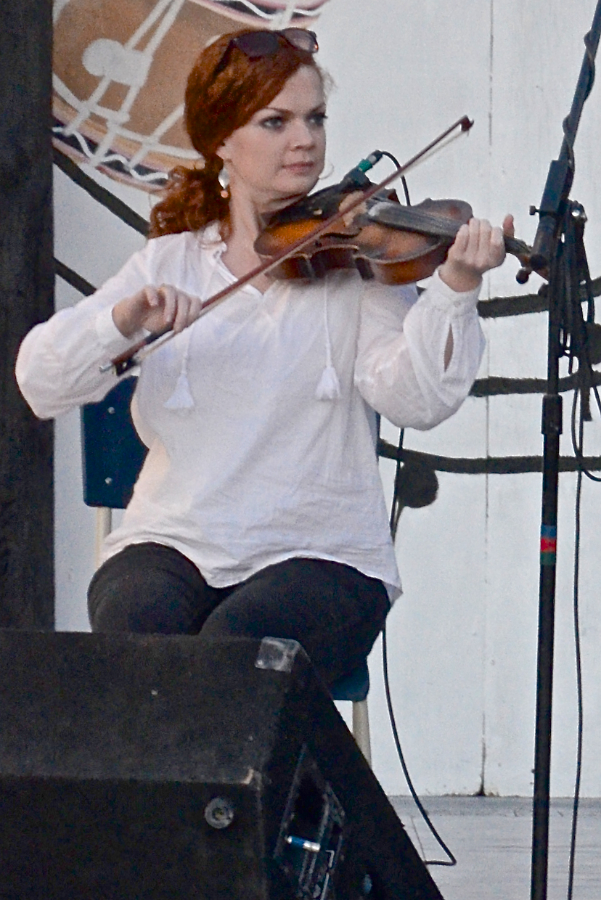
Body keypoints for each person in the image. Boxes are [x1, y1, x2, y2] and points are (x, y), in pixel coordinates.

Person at [16, 28, 511, 689]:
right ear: (221, 140)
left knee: (232, 655)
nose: (303, 141)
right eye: (274, 122)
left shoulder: (354, 266)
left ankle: (272, 798)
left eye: (314, 118)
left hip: (323, 553)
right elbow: (40, 384)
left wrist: (453, 289)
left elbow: (414, 401)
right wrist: (121, 321)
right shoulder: (168, 264)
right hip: (173, 540)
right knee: (142, 634)